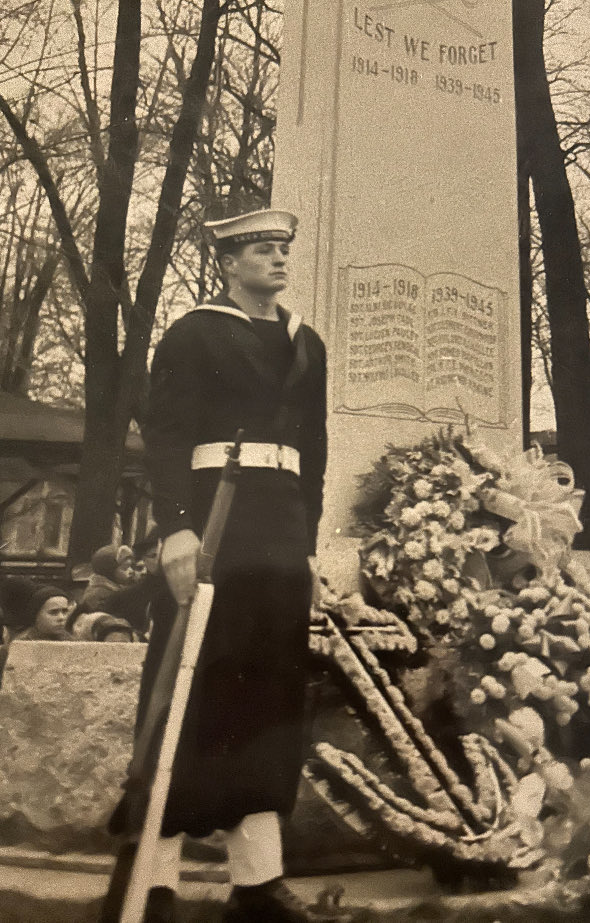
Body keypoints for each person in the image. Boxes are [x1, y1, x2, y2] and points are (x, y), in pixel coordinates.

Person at [107, 209, 353, 923]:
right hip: (217, 519)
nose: (278, 260)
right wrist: (176, 529)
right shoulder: (194, 333)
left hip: (279, 534)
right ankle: (154, 874)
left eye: (283, 250)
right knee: (193, 687)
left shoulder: (306, 342)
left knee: (270, 699)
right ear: (228, 262)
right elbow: (168, 434)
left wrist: (308, 543)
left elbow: (316, 449)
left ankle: (257, 880)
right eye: (262, 250)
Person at [81, 545, 136, 612]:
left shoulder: (114, 589)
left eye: (130, 566)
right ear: (109, 570)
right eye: (125, 568)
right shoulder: (99, 594)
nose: (131, 571)